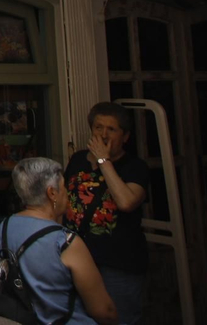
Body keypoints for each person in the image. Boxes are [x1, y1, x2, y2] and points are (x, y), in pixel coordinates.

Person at [0, 157, 118, 325]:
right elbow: (104, 311)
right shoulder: (66, 242)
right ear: (52, 193)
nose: (67, 193)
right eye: (64, 187)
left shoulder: (2, 229)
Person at [64, 101, 150, 325]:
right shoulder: (78, 160)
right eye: (98, 128)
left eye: (111, 129)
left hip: (118, 265)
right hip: (79, 261)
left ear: (125, 136)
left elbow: (126, 202)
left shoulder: (135, 167)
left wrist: (104, 161)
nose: (103, 134)